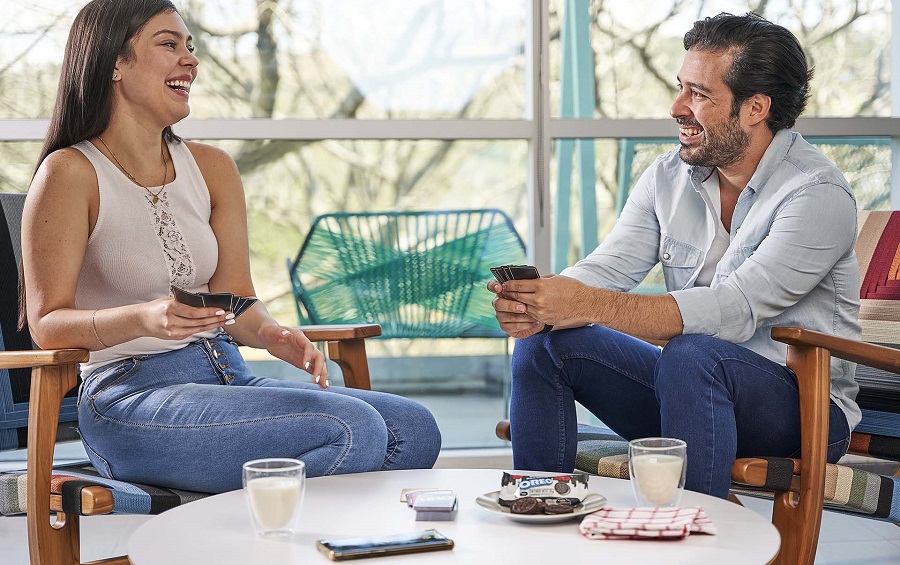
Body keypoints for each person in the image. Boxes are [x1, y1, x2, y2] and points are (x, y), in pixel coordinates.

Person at [22, 0, 441, 494]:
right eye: (168, 44)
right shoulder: (70, 173)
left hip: (228, 378)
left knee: (415, 428)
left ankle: (265, 536)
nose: (190, 60)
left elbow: (236, 300)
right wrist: (145, 318)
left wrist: (270, 333)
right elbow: (47, 324)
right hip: (131, 399)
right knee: (354, 430)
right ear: (116, 62)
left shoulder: (212, 167)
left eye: (191, 46)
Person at [490, 12, 860, 499]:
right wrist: (543, 303)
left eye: (700, 94)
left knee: (693, 351)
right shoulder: (667, 177)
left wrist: (583, 304)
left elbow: (734, 310)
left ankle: (690, 542)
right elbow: (609, 270)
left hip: (802, 412)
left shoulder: (817, 194)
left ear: (755, 108)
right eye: (681, 87)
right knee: (546, 343)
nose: (677, 107)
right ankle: (538, 512)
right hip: (689, 393)